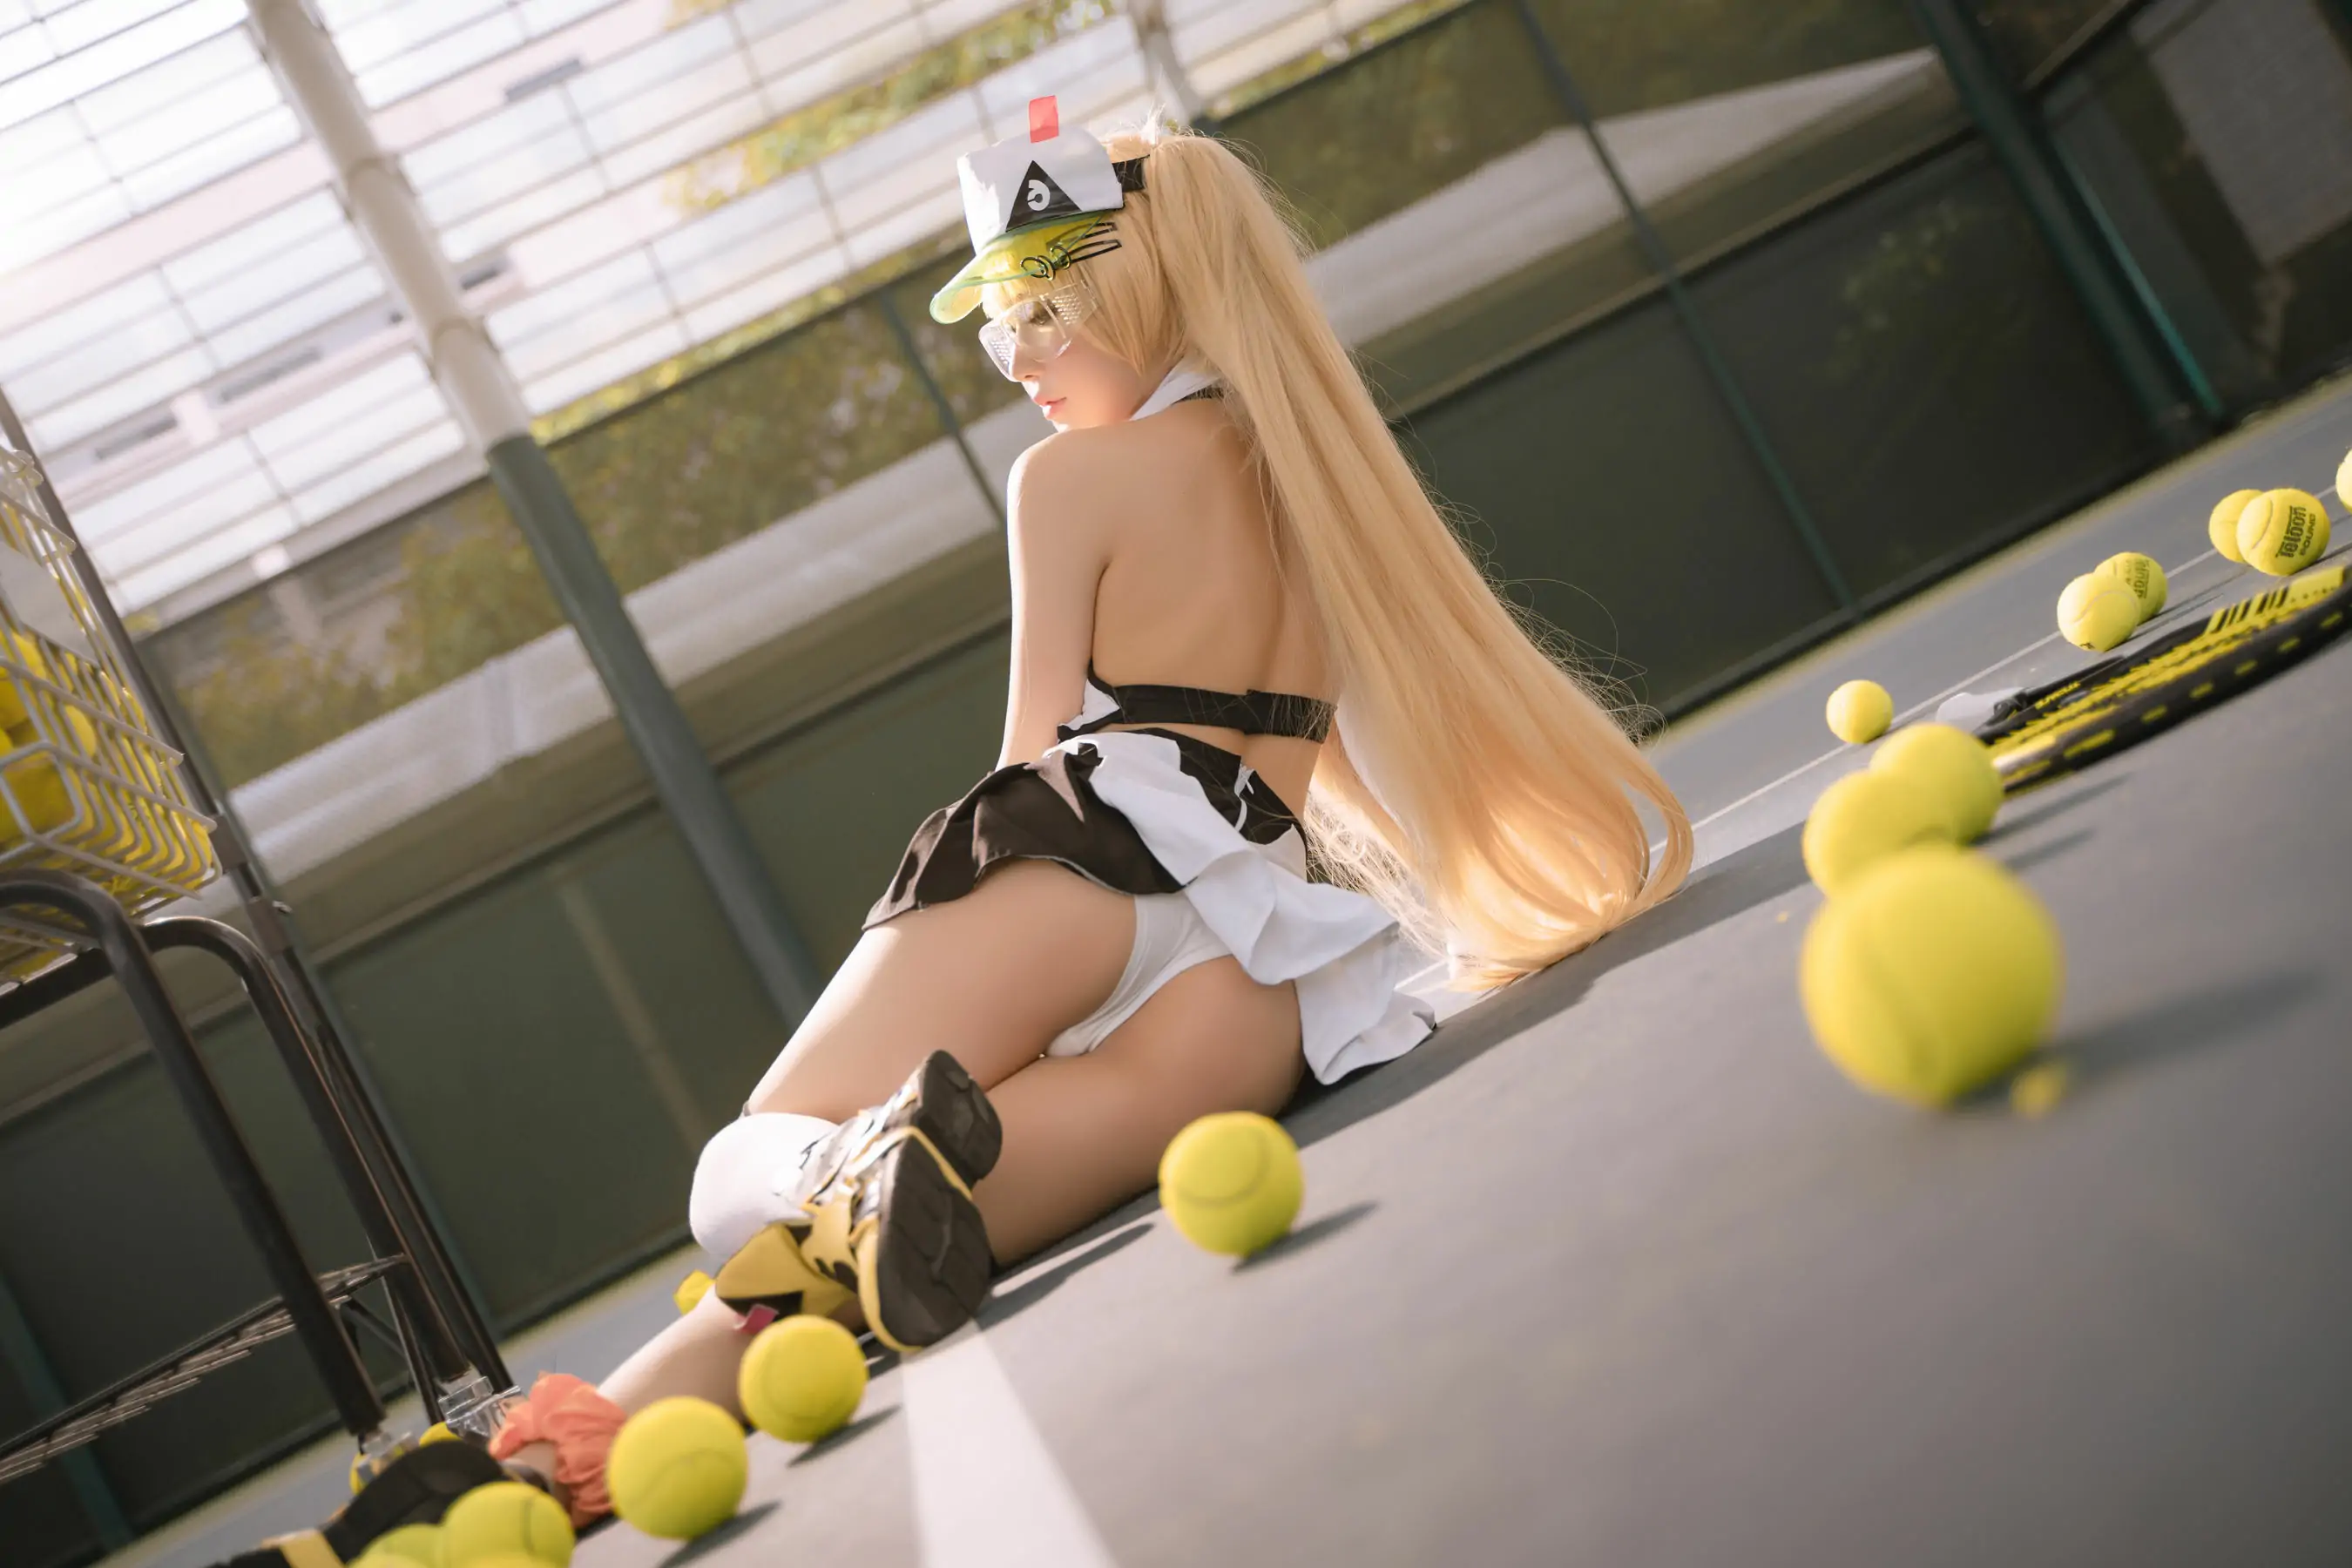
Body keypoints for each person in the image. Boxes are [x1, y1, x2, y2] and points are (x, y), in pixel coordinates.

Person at [246, 101, 1693, 1554]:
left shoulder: (1067, 481)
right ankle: (511, 1494)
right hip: (1261, 987)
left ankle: (819, 1194)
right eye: (1001, 325)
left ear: (1134, 291)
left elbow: (1028, 755)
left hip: (1086, 866)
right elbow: (1312, 766)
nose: (1015, 360)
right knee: (828, 1267)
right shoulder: (1318, 475)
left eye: (1040, 314)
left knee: (740, 1177)